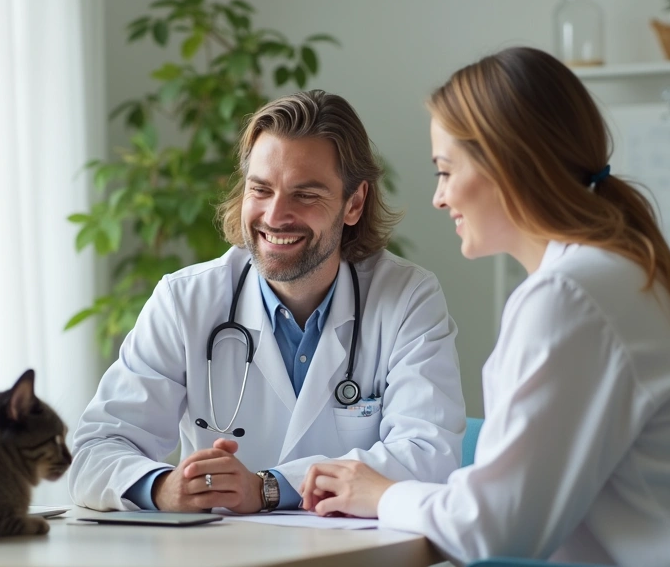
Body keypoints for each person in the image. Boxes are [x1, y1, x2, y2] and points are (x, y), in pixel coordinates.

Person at [300, 47, 670, 567]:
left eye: (446, 171)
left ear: (507, 166)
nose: (439, 197)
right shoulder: (623, 274)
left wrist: (381, 494)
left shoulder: (571, 296)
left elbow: (494, 532)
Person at [69, 90, 466, 514]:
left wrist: (268, 488)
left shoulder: (407, 297)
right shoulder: (184, 300)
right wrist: (162, 487)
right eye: (260, 189)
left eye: (305, 195)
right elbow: (95, 451)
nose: (275, 217)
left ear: (353, 203)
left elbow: (429, 455)